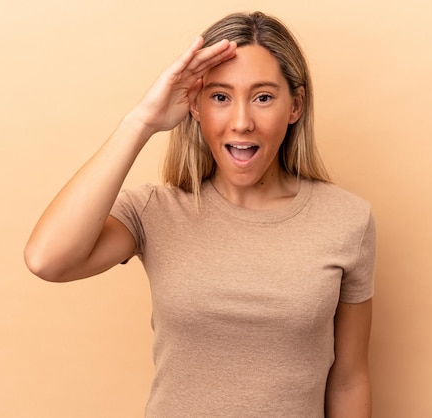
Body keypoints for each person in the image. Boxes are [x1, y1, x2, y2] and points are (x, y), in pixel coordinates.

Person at [24, 11, 375, 418]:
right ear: (195, 105)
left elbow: (349, 379)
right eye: (220, 97)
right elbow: (47, 260)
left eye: (263, 97)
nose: (242, 122)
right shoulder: (153, 211)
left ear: (294, 106)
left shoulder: (348, 220)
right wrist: (142, 121)